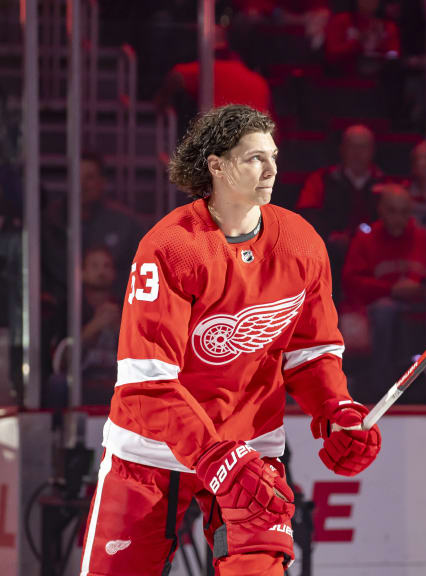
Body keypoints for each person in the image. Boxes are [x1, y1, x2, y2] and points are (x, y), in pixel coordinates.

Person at [79, 105, 381, 576]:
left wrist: (336, 409)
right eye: (254, 158)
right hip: (151, 451)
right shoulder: (170, 247)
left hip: (249, 447)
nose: (271, 169)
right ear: (216, 166)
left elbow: (311, 352)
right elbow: (146, 386)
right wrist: (216, 457)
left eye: (274, 156)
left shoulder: (301, 243)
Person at [342, 185, 426, 400]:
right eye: (392, 211)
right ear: (381, 210)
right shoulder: (366, 240)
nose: (398, 218)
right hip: (382, 309)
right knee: (384, 310)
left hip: (422, 303)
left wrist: (425, 290)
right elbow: (352, 284)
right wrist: (391, 290)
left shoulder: (423, 238)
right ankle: (382, 387)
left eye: (404, 212)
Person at [295, 124, 385, 297]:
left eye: (363, 147)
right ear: (342, 149)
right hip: (332, 250)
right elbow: (307, 216)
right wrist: (330, 235)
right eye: (352, 146)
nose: (358, 153)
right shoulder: (320, 180)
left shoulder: (384, 184)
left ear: (372, 151)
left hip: (372, 251)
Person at [42, 152, 144, 300]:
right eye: (76, 177)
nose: (82, 184)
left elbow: (143, 271)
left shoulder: (126, 223)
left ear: (102, 182)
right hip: (59, 312)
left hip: (116, 310)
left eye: (89, 177)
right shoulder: (49, 221)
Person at [80, 246, 122, 405]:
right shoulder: (71, 309)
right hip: (81, 382)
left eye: (107, 266)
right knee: (58, 384)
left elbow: (143, 359)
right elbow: (60, 363)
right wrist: (94, 327)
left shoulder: (128, 306)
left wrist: (120, 330)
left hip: (117, 379)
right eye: (95, 266)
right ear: (82, 272)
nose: (102, 272)